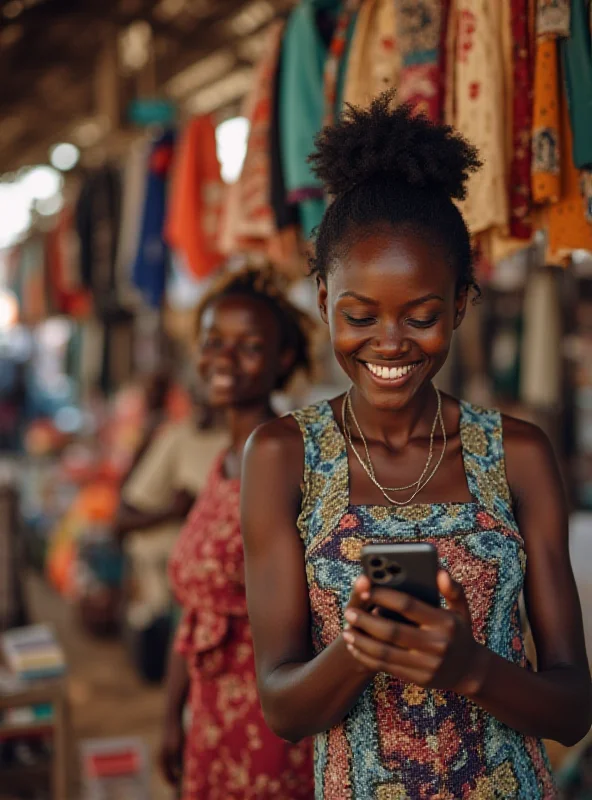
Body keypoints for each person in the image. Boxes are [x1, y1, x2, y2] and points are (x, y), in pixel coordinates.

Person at [241, 94, 592, 799]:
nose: (391, 343)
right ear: (320, 297)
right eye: (361, 315)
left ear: (461, 303)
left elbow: (573, 711)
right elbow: (282, 708)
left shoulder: (517, 453)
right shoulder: (282, 455)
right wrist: (360, 650)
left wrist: (471, 668)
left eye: (423, 316)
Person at [161, 267, 315, 800]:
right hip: (210, 714)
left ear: (283, 360)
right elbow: (197, 613)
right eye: (213, 342)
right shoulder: (224, 462)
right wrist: (172, 715)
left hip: (269, 723)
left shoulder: (289, 460)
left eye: (248, 346)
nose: (224, 359)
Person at [115, 373, 226, 680]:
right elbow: (123, 518)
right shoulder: (177, 438)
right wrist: (174, 510)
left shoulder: (253, 442)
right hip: (174, 580)